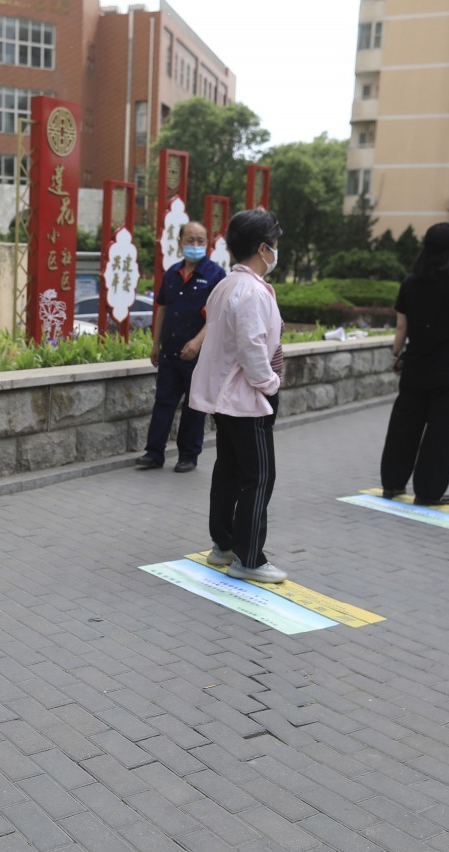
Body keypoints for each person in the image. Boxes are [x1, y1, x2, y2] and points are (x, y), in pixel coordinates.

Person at [188, 209, 288, 584]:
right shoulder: (249, 291)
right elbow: (252, 348)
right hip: (248, 400)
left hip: (226, 399)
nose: (277, 251)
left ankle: (224, 545)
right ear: (263, 248)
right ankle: (249, 557)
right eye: (274, 244)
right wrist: (270, 384)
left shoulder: (227, 286)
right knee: (259, 476)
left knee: (228, 471)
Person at [378, 223, 449, 506]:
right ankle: (428, 491)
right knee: (442, 430)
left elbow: (401, 327)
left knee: (404, 426)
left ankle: (392, 483)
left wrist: (395, 355)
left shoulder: (410, 283)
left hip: (416, 363)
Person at [136, 222, 227, 473]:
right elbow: (162, 308)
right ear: (179, 242)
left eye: (200, 240)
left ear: (207, 242)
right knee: (163, 402)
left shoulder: (216, 275)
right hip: (170, 352)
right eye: (190, 240)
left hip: (198, 354)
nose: (195, 245)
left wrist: (197, 343)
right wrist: (155, 344)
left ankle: (188, 456)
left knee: (194, 406)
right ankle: (154, 453)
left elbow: (217, 316)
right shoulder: (172, 273)